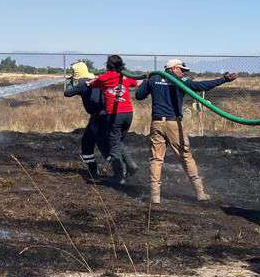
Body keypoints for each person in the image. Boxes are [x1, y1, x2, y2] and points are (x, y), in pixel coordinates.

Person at [137, 59, 238, 204]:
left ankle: (155, 196)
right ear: (173, 69)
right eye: (181, 70)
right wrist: (223, 79)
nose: (183, 72)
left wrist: (147, 80)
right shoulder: (181, 81)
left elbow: (139, 95)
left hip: (157, 123)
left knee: (156, 159)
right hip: (173, 124)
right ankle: (200, 193)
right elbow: (202, 86)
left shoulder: (154, 78)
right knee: (186, 156)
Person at [87, 55, 141, 185]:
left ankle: (121, 173)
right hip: (128, 113)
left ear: (108, 65)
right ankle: (129, 166)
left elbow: (92, 84)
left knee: (113, 144)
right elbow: (136, 83)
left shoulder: (104, 77)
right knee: (118, 141)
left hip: (115, 114)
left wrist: (89, 82)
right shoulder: (125, 77)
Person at [64, 60, 108, 182]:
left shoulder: (82, 83)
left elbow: (67, 93)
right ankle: (121, 169)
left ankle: (101, 171)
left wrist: (70, 80)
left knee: (91, 144)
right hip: (104, 116)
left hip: (98, 118)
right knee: (99, 144)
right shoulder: (95, 80)